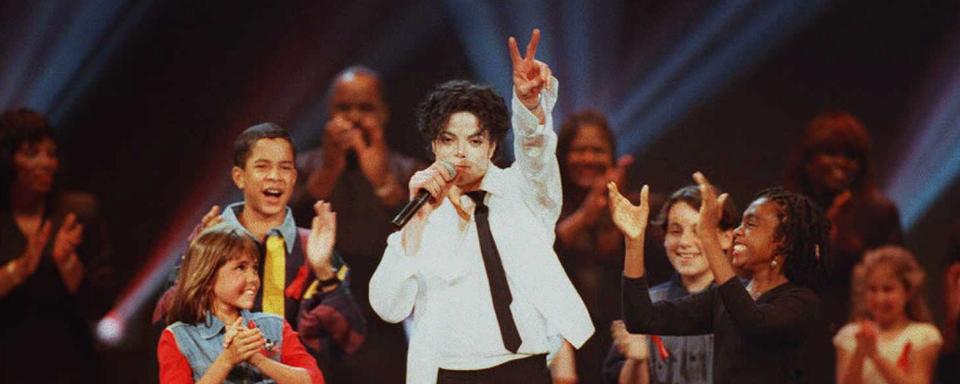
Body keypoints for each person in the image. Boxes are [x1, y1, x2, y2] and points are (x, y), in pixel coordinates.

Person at [369, 29, 593, 384]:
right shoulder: (423, 209)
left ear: (491, 147)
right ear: (433, 146)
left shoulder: (524, 191)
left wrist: (530, 105)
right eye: (448, 140)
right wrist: (415, 225)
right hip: (447, 372)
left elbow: (536, 152)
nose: (461, 152)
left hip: (524, 366)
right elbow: (388, 307)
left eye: (474, 140)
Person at [153, 123, 365, 371]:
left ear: (294, 177)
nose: (275, 176)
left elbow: (347, 341)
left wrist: (324, 271)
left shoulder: (312, 246)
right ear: (239, 177)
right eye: (263, 166)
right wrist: (199, 261)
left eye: (284, 167)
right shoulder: (207, 241)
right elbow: (166, 325)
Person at [615, 172, 832, 383]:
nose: (738, 231)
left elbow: (752, 323)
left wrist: (709, 237)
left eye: (751, 224)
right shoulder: (723, 299)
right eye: (740, 223)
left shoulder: (801, 302)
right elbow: (641, 318)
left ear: (782, 241)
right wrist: (634, 242)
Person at [291, 66, 422, 383]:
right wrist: (327, 173)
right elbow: (279, 234)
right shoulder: (301, 168)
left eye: (365, 108)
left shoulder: (411, 172)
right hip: (315, 315)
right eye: (344, 108)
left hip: (384, 324)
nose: (353, 118)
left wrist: (385, 184)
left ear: (384, 113)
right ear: (329, 113)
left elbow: (429, 240)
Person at [553, 109, 670, 384]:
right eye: (579, 150)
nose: (588, 158)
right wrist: (586, 214)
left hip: (624, 340)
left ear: (612, 156)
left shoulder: (640, 206)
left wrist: (615, 212)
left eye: (597, 150)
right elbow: (540, 256)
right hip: (567, 346)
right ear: (562, 156)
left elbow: (661, 267)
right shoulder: (546, 206)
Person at [0, 108, 111, 383]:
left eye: (51, 153)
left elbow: (99, 305)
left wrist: (68, 264)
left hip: (70, 365)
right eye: (32, 153)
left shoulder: (77, 213)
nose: (47, 162)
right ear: (7, 159)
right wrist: (19, 270)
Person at [602, 185, 740, 384]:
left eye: (699, 231)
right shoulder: (646, 304)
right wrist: (637, 360)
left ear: (727, 237)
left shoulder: (748, 303)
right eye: (675, 231)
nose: (685, 241)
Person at [158, 224, 325, 383]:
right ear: (208, 277)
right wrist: (227, 360)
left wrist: (257, 359)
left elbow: (315, 380)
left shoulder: (276, 326)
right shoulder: (179, 337)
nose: (253, 279)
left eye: (254, 268)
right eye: (240, 268)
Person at [785, 111, 903, 333]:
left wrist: (852, 243)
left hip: (861, 330)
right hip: (800, 331)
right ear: (808, 160)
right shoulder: (787, 210)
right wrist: (829, 230)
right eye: (830, 152)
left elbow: (896, 279)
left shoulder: (880, 213)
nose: (841, 163)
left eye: (850, 156)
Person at [834, 246, 941, 384]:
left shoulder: (924, 335)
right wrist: (860, 351)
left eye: (888, 289)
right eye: (872, 289)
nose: (880, 298)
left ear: (908, 292)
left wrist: (875, 355)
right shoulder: (850, 334)